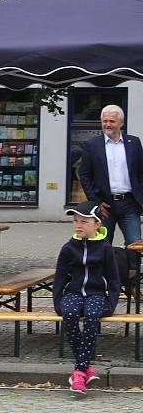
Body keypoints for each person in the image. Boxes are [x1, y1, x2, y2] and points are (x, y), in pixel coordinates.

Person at [53, 201, 120, 395]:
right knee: (70, 314)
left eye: (84, 221)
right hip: (73, 293)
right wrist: (58, 302)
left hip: (97, 294)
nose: (78, 225)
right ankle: (84, 369)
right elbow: (59, 278)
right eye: (75, 221)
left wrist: (111, 303)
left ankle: (79, 372)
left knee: (92, 316)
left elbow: (114, 280)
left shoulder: (106, 249)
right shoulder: (68, 248)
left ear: (97, 224)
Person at [77, 105, 143, 257]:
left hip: (129, 204)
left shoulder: (133, 143)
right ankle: (104, 279)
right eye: (104, 121)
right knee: (102, 245)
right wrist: (95, 200)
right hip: (104, 205)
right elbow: (84, 175)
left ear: (121, 123)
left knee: (134, 244)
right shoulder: (92, 145)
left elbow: (140, 173)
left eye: (111, 121)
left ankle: (132, 279)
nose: (107, 124)